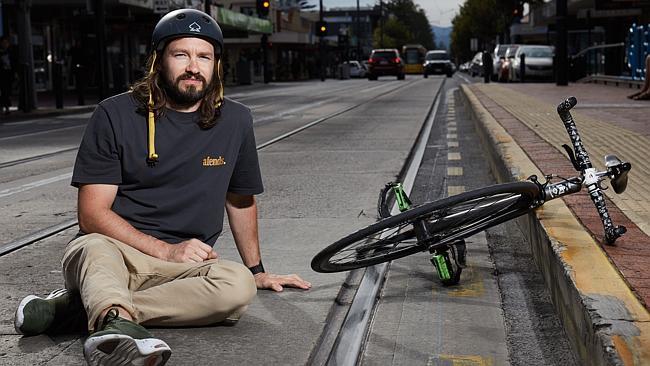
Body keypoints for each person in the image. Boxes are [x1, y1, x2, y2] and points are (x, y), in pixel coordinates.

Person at [13, 9, 311, 366]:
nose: (193, 66)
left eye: (204, 56)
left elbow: (240, 200)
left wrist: (256, 270)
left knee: (237, 286)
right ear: (158, 60)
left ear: (216, 65)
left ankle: (95, 312)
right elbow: (92, 214)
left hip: (186, 265)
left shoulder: (236, 120)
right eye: (180, 54)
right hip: (114, 252)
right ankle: (110, 316)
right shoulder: (114, 114)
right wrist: (164, 250)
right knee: (91, 247)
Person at [0, 36, 17, 114]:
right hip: (2, 73)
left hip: (8, 73)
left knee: (7, 91)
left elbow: (14, 62)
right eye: (4, 43)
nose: (5, 44)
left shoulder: (11, 52)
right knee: (4, 90)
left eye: (6, 43)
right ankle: (5, 107)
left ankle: (6, 107)